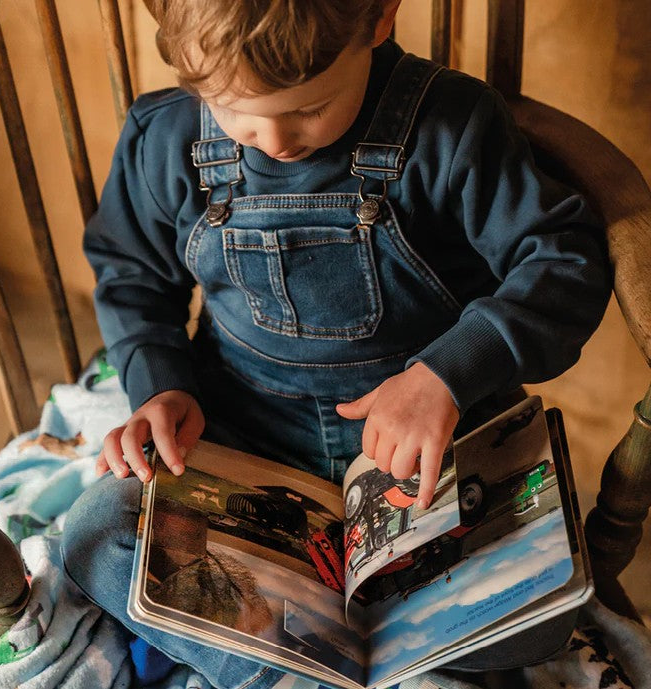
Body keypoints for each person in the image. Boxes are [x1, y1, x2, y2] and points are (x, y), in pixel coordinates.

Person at [62, 0, 611, 685]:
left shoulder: (451, 127)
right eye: (236, 113)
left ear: (379, 20)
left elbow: (566, 264)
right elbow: (133, 277)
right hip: (243, 439)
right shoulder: (166, 134)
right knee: (96, 532)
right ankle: (290, 673)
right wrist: (161, 384)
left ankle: (347, 651)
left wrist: (446, 373)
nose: (272, 139)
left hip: (426, 455)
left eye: (309, 110)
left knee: (537, 612)